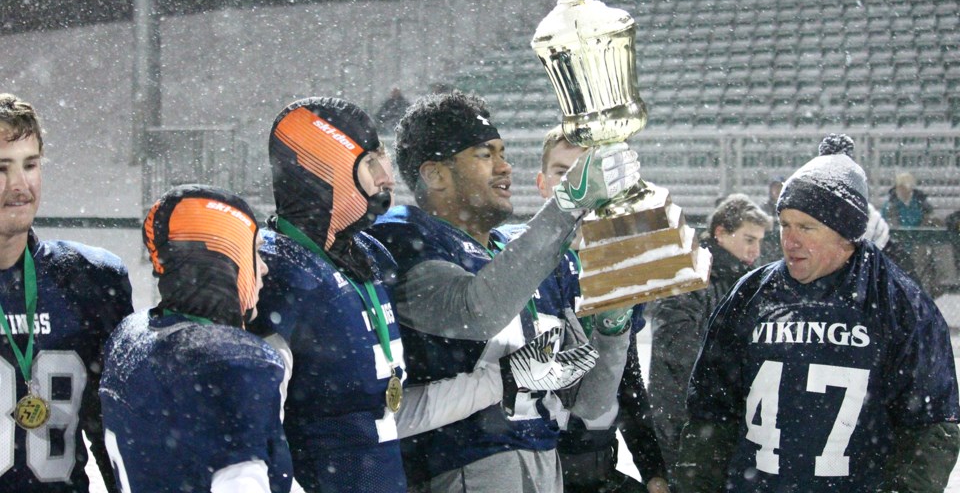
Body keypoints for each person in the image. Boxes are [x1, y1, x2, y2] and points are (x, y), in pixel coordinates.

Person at [367, 90, 641, 493]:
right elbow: (475, 312)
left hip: (547, 463)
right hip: (461, 467)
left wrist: (614, 331)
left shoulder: (530, 254)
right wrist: (566, 206)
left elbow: (589, 408)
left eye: (503, 152)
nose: (504, 167)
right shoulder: (408, 238)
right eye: (484, 155)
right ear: (436, 174)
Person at [675, 134, 960, 492]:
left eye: (807, 228)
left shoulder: (901, 304)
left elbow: (931, 429)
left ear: (847, 235)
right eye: (785, 225)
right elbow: (710, 412)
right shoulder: (750, 294)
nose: (789, 241)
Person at [248, 97, 408, 493]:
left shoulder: (367, 256)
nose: (387, 177)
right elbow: (253, 427)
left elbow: (381, 408)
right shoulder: (279, 272)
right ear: (323, 168)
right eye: (371, 163)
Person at [100, 184, 292, 493]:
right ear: (226, 257)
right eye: (254, 251)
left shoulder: (131, 335)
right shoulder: (231, 362)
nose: (265, 268)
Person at [0, 93, 132, 492]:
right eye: (1, 168)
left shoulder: (89, 279)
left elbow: (113, 429)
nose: (20, 185)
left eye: (31, 164)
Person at [533, 127, 670, 493]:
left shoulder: (618, 269)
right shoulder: (511, 261)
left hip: (595, 470)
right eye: (564, 173)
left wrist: (653, 470)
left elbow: (628, 379)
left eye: (588, 173)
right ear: (542, 183)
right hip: (531, 468)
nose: (579, 187)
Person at [647, 193, 771, 478]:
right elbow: (675, 343)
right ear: (721, 234)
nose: (756, 249)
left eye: (760, 241)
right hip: (684, 420)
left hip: (719, 420)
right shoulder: (689, 273)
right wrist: (732, 377)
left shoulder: (747, 283)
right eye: (749, 239)